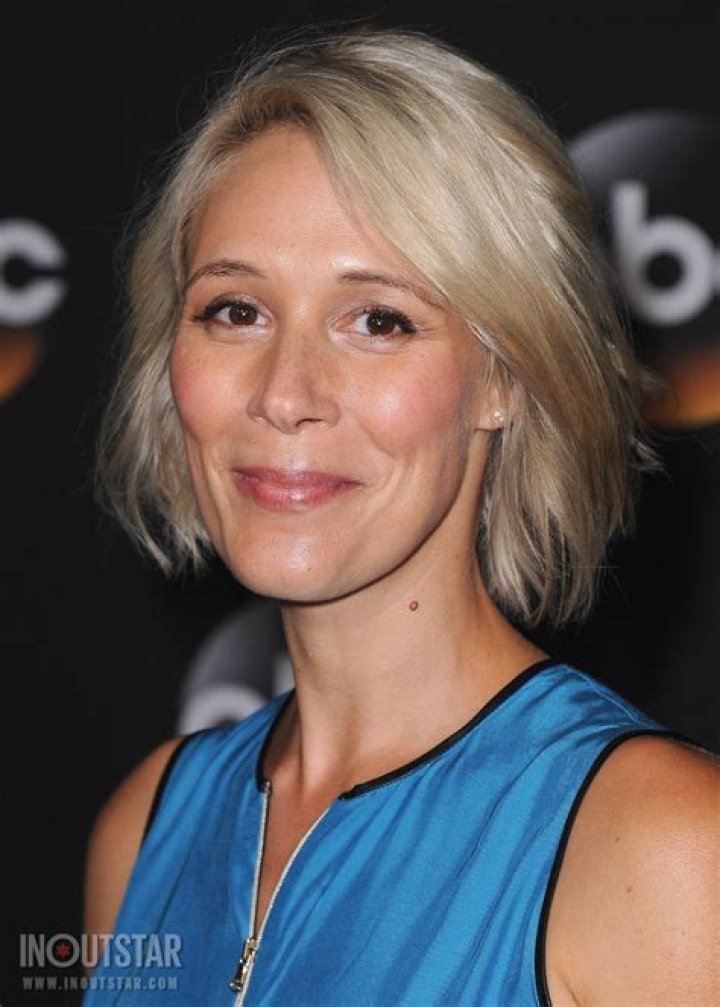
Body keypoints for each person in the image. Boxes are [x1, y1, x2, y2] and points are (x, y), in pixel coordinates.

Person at [83, 27, 718, 1006]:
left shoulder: (664, 848)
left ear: (504, 377)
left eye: (378, 320)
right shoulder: (144, 830)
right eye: (236, 310)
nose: (284, 394)